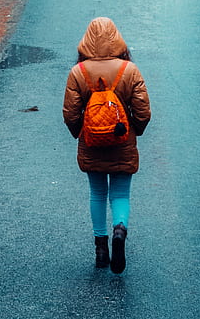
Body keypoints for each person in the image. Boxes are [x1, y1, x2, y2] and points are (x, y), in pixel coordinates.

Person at [62, 17, 151, 273]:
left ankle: (101, 250)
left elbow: (70, 113)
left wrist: (81, 132)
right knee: (121, 193)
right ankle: (120, 230)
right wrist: (135, 131)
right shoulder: (129, 70)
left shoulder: (78, 72)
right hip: (123, 140)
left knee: (98, 194)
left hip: (92, 142)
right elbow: (143, 112)